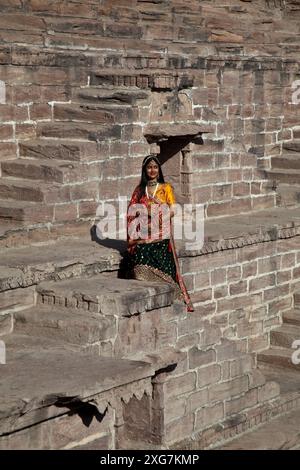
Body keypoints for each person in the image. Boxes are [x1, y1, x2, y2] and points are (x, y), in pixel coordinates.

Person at [126, 154, 194, 312]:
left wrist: (157, 217)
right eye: (149, 167)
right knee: (140, 261)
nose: (152, 170)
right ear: (145, 169)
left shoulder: (166, 188)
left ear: (159, 169)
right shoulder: (139, 190)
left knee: (164, 264)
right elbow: (131, 212)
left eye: (155, 167)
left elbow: (173, 209)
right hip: (143, 234)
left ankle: (172, 295)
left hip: (161, 234)